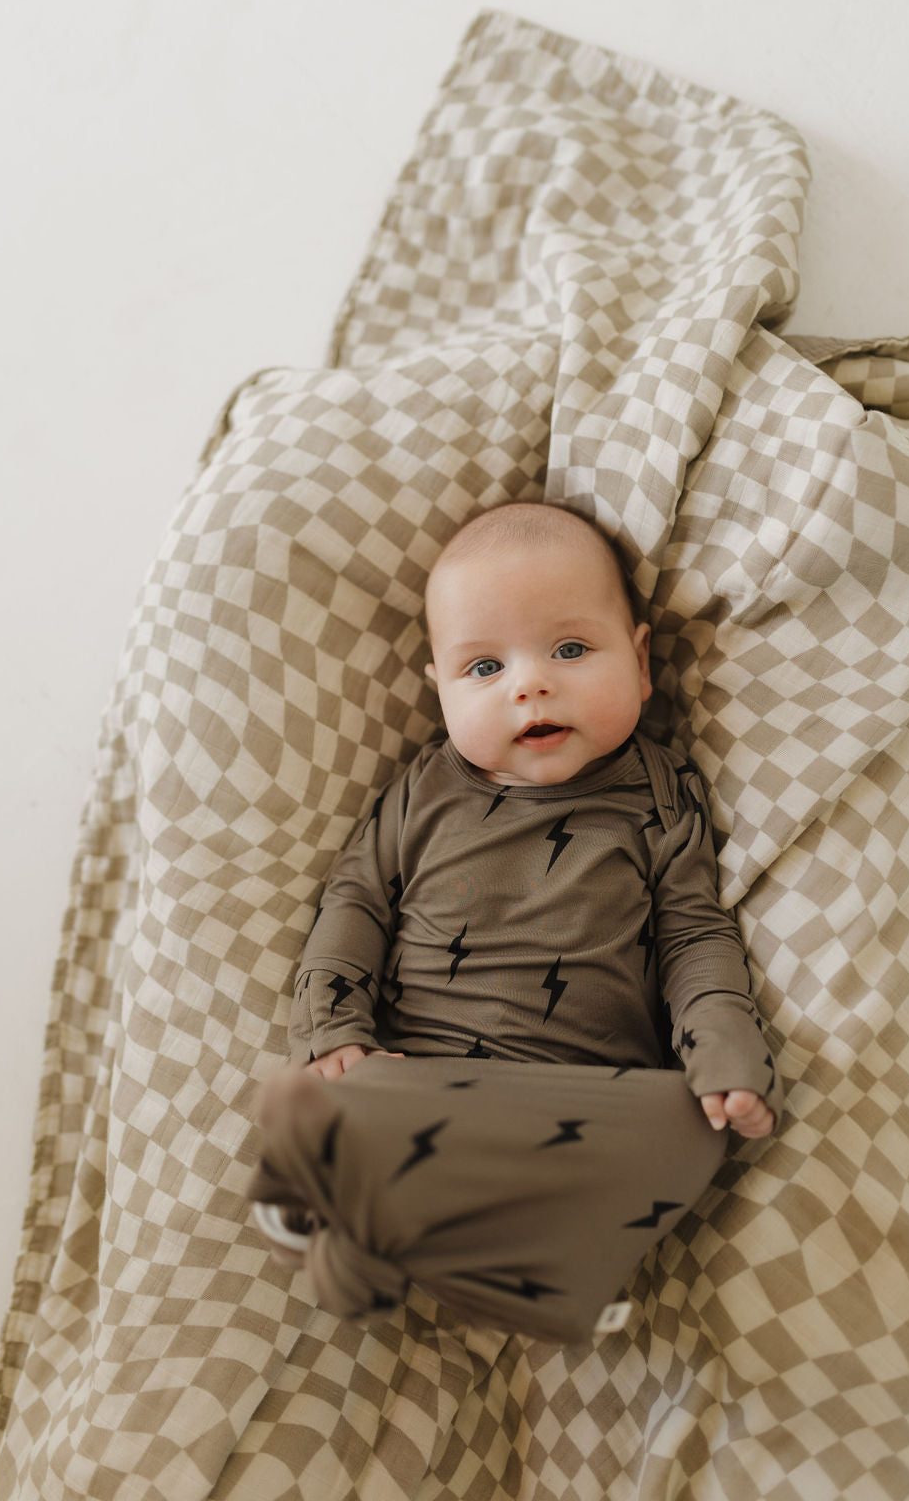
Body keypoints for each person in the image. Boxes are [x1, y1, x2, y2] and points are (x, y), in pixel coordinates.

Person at [248, 501, 781, 1340]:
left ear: (640, 664)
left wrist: (723, 1049)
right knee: (346, 1093)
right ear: (440, 689)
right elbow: (354, 901)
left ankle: (468, 1251)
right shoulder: (425, 791)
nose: (529, 683)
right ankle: (406, 1212)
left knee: (698, 1128)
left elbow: (692, 935)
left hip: (581, 1095)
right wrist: (330, 1029)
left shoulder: (659, 793)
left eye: (570, 650)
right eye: (484, 667)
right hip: (426, 1077)